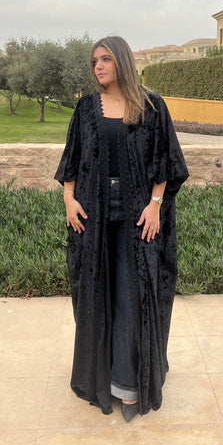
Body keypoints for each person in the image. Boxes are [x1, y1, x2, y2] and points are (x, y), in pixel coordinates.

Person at [55, 35, 188, 422]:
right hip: (92, 214)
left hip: (138, 215)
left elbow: (166, 162)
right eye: (94, 61)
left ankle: (130, 386)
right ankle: (100, 381)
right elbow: (72, 158)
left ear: (122, 62)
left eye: (105, 59)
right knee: (97, 295)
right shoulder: (85, 108)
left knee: (133, 297)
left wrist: (155, 205)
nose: (98, 66)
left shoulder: (152, 106)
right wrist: (69, 199)